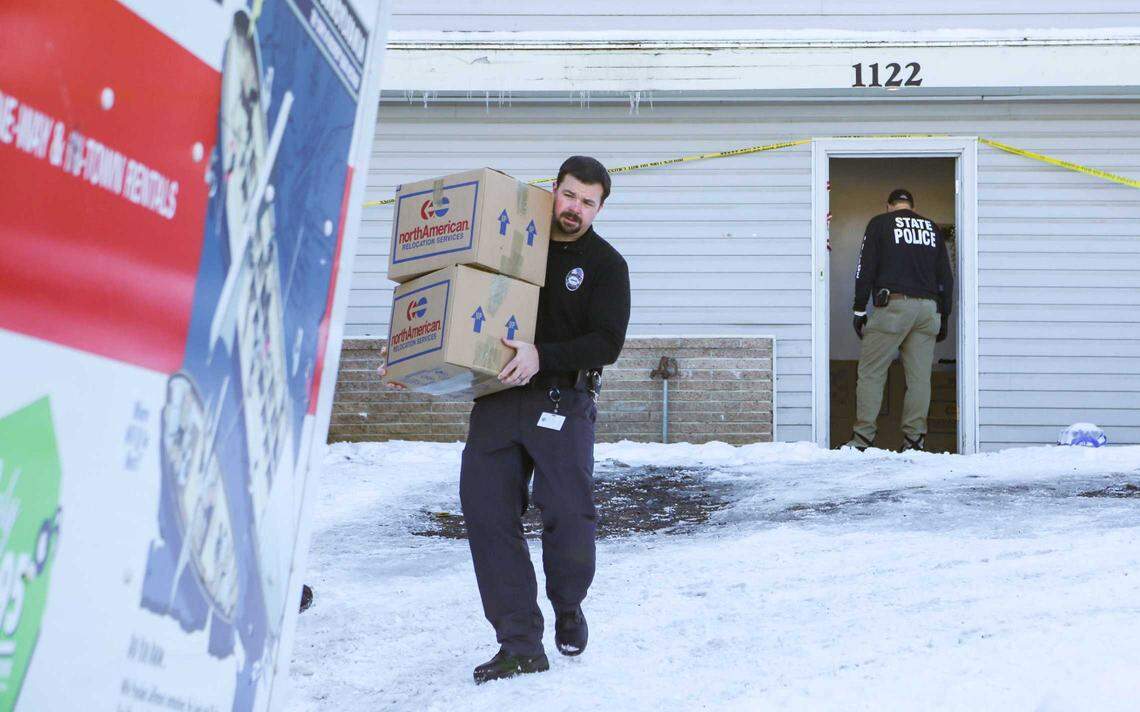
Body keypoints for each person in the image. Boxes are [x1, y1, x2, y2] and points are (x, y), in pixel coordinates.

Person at [378, 156, 630, 683]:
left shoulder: (607, 265)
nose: (574, 209)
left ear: (600, 207)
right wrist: (411, 359)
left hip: (562, 401)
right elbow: (454, 306)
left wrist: (543, 354)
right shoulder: (508, 246)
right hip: (496, 398)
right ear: (552, 191)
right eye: (568, 196)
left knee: (567, 513)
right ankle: (519, 643)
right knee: (487, 514)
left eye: (587, 202)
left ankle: (567, 603)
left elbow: (607, 342)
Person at [845, 188, 954, 452]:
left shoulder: (880, 223)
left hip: (894, 306)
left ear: (888, 206)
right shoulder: (930, 228)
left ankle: (862, 440)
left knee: (871, 373)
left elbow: (865, 267)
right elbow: (945, 276)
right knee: (919, 378)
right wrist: (945, 315)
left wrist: (859, 309)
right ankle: (915, 441)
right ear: (912, 207)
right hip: (929, 310)